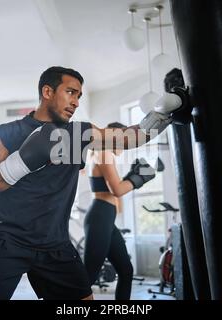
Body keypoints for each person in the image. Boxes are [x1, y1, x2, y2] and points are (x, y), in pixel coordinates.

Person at [0, 66, 184, 300]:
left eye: (79, 96)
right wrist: (22, 161)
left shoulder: (78, 134)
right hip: (9, 241)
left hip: (56, 245)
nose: (76, 102)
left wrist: (165, 113)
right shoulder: (8, 133)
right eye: (70, 92)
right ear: (47, 91)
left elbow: (129, 138)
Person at [83, 122, 156, 300]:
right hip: (100, 217)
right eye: (125, 141)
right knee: (87, 277)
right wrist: (138, 178)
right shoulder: (104, 153)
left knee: (126, 270)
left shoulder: (103, 154)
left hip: (106, 218)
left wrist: (130, 177)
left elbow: (114, 189)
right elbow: (117, 190)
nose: (126, 146)